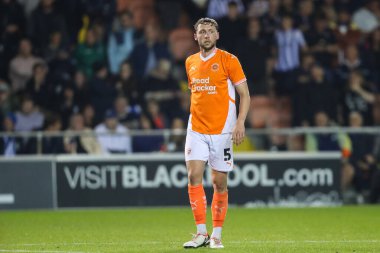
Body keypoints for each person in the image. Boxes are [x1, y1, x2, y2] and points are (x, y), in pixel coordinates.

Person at [182, 18, 250, 249]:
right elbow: (197, 95)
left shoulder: (229, 60)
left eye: (211, 31)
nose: (207, 35)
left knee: (219, 182)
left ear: (217, 36)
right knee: (193, 176)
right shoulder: (190, 62)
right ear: (196, 36)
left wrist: (240, 122)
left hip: (222, 131)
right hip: (197, 128)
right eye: (202, 32)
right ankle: (201, 233)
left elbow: (245, 94)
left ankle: (217, 234)